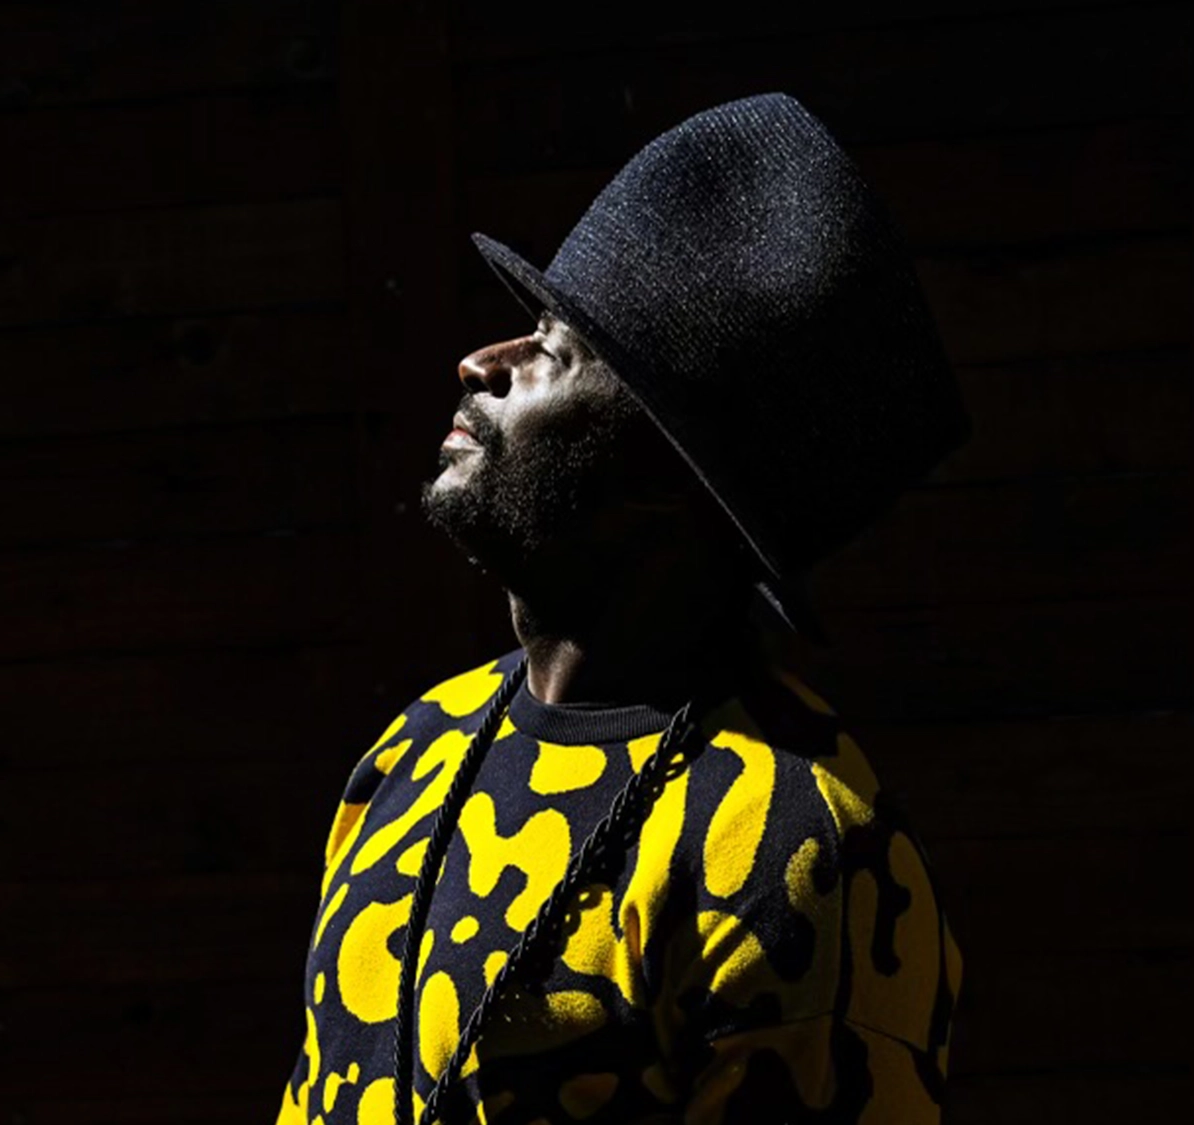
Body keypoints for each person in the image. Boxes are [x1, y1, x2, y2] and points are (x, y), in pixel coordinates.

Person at [274, 94, 967, 1125]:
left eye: (550, 353)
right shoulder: (412, 749)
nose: (480, 364)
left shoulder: (791, 848)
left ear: (663, 476)